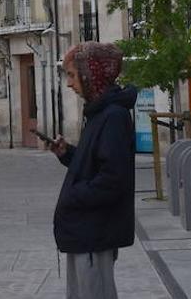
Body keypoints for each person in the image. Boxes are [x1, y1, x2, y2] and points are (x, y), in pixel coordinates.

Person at [46, 42, 137, 299]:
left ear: (90, 75)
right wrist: (69, 154)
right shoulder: (99, 113)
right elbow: (96, 163)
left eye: (73, 75)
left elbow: (112, 179)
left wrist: (74, 195)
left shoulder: (113, 116)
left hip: (94, 232)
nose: (69, 84)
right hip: (85, 230)